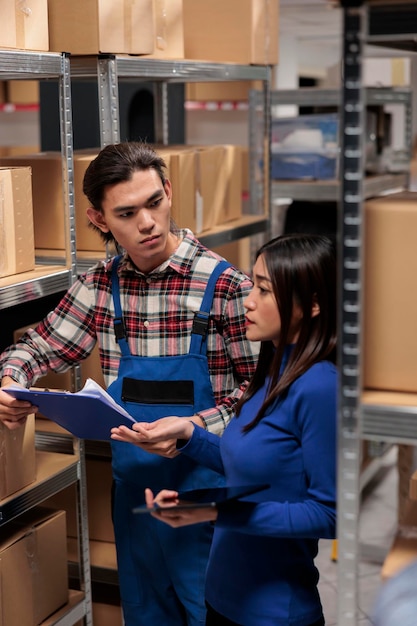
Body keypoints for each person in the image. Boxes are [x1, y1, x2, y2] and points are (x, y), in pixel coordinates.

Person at [0, 141, 259, 626]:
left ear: (167, 190)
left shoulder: (226, 286)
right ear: (99, 220)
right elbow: (33, 348)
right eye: (127, 212)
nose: (148, 223)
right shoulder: (100, 285)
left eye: (154, 203)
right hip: (135, 500)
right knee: (146, 615)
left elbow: (260, 397)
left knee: (216, 614)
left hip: (209, 497)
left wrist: (190, 430)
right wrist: (11, 384)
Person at [111, 233, 338, 626]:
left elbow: (329, 513)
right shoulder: (271, 371)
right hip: (221, 600)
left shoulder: (320, 387)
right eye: (253, 285)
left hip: (272, 613)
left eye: (265, 291)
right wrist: (189, 435)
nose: (249, 301)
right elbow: (252, 465)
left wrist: (217, 511)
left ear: (313, 304)